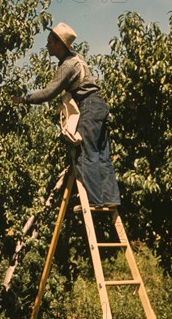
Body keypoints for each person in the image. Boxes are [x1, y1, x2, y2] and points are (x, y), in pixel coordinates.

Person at [13, 22, 120, 208]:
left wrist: (23, 99)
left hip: (88, 106)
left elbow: (48, 93)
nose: (47, 46)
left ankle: (95, 201)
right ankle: (111, 199)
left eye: (49, 42)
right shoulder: (77, 59)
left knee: (85, 153)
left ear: (59, 44)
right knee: (101, 154)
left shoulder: (68, 65)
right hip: (99, 105)